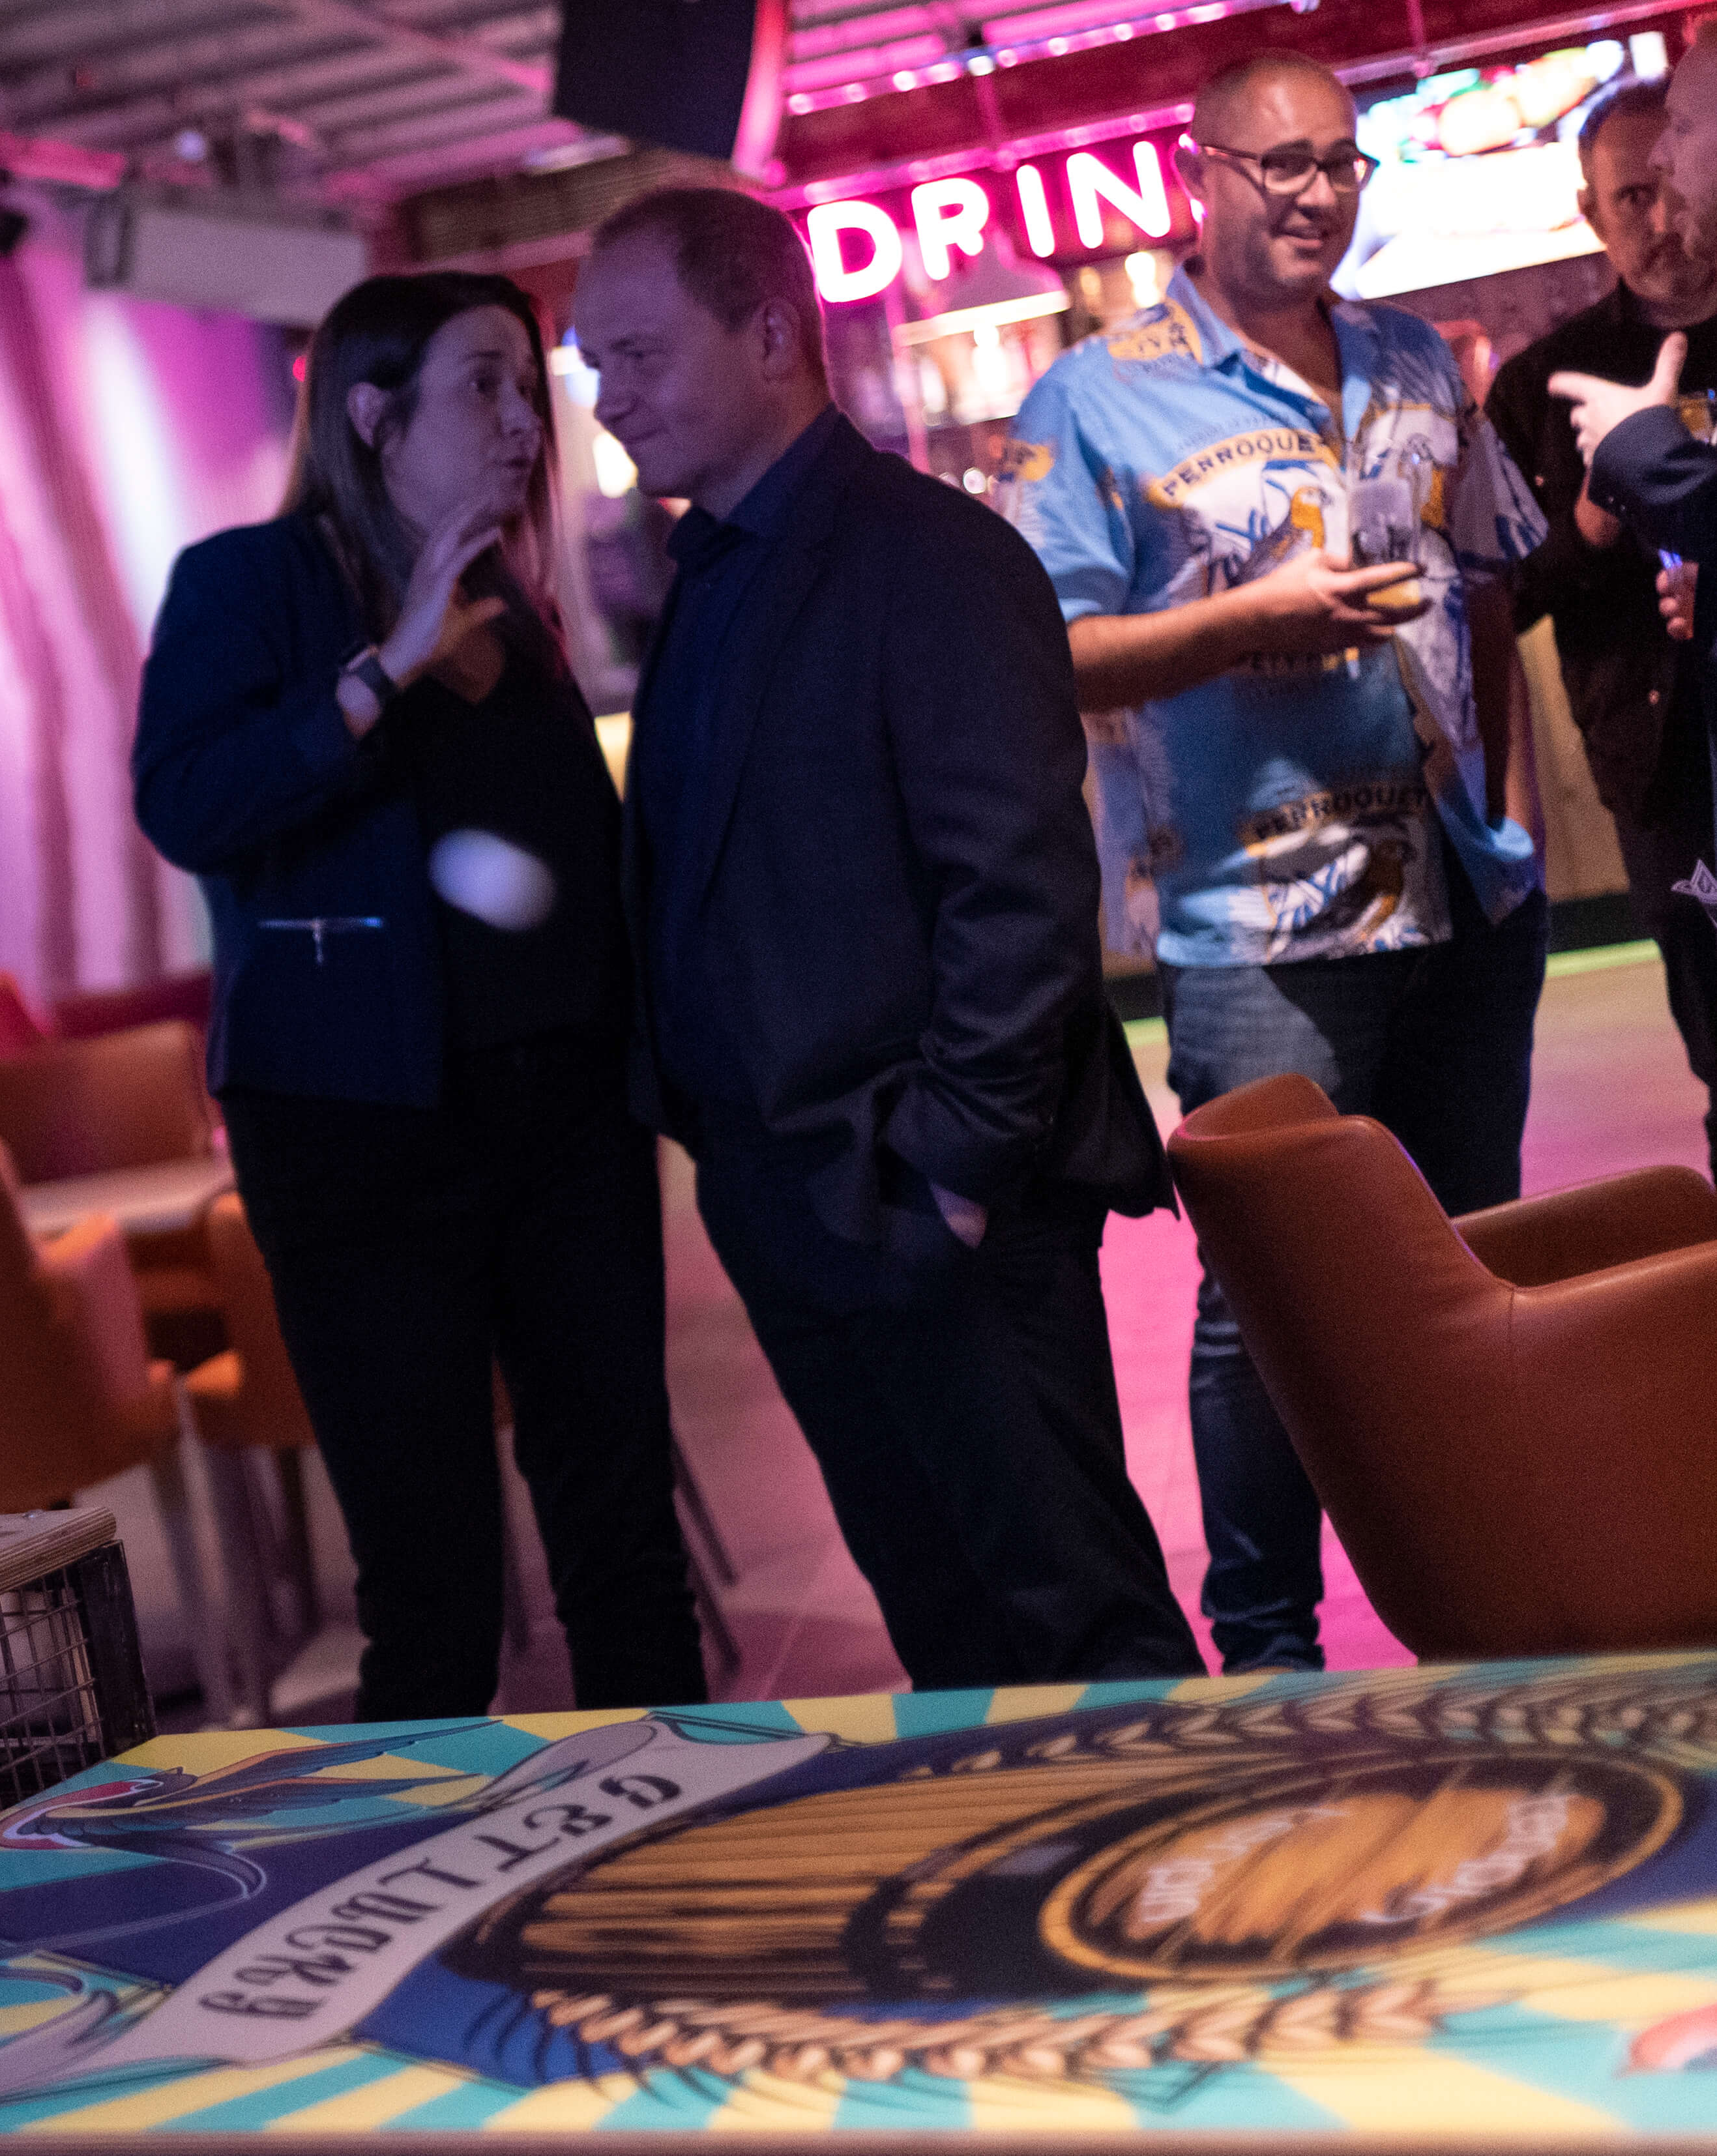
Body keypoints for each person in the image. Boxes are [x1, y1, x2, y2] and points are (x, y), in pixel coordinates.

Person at [576, 187, 1199, 1691]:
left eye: (642, 356)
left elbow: (1020, 884)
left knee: (1075, 1616)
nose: (610, 402)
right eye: (598, 364)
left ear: (775, 333)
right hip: (792, 1189)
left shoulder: (926, 556)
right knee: (947, 1621)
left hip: (924, 1190)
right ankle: (1041, 1912)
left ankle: (1223, 1911)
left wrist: (958, 1171)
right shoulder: (713, 567)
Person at [1001, 51, 1548, 1675]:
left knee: (1471, 1266)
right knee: (1272, 1314)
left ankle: (1497, 1616)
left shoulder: (1409, 357)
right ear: (1204, 174)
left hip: (1462, 896)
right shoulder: (1095, 399)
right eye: (1282, 165)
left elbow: (1493, 579)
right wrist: (1243, 627)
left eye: (1342, 166)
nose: (1317, 194)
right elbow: (1051, 653)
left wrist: (1504, 809)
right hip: (1259, 933)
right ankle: (1273, 1656)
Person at [132, 271, 706, 1722]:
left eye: (530, 387)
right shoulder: (249, 583)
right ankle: (437, 1918)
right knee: (431, 1576)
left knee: (623, 1535)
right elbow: (188, 803)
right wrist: (381, 672)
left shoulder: (516, 598)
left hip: (564, 1115)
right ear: (374, 414)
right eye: (485, 387)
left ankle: (689, 1843)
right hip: (354, 1134)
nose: (526, 422)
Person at [1491, 75, 1717, 1177]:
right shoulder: (1541, 384)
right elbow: (1504, 594)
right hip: (1664, 773)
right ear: (1590, 213)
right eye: (1628, 197)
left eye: (1668, 187)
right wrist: (1586, 526)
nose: (1659, 221)